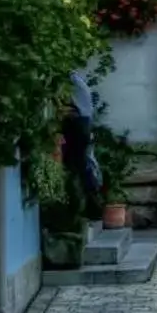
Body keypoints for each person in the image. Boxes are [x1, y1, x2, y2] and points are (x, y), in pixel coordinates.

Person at [63, 69, 101, 214]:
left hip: (79, 125)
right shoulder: (79, 81)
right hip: (84, 124)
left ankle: (91, 201)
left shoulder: (72, 81)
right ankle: (92, 195)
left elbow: (74, 111)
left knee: (77, 162)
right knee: (83, 161)